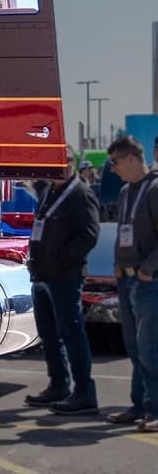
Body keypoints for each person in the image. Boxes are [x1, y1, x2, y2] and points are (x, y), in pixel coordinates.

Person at [23, 148, 100, 415]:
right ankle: (59, 385)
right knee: (49, 335)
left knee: (71, 333)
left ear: (71, 165)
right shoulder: (49, 192)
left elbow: (89, 234)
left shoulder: (80, 194)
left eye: (61, 163)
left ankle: (84, 393)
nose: (55, 168)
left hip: (64, 277)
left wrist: (62, 259)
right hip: (42, 275)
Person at [105, 135, 158, 431]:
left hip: (148, 282)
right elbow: (123, 233)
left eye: (115, 162)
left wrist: (147, 270)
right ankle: (139, 405)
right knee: (135, 348)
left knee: (150, 349)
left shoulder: (154, 189)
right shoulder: (127, 192)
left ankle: (155, 409)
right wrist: (117, 264)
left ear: (131, 160)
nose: (112, 168)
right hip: (127, 281)